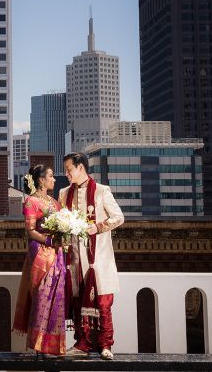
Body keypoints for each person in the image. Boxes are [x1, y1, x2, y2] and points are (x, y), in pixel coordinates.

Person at [58, 152, 124, 360]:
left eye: (69, 169)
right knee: (78, 302)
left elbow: (119, 217)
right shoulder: (63, 193)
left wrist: (97, 227)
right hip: (75, 259)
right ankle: (82, 344)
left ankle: (105, 345)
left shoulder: (102, 191)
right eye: (65, 170)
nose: (66, 173)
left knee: (103, 303)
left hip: (99, 259)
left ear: (81, 167)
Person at [13, 164, 68, 356]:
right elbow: (30, 230)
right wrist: (49, 240)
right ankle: (39, 347)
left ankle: (53, 346)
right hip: (41, 255)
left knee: (57, 298)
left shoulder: (55, 202)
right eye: (51, 176)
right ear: (41, 180)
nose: (54, 179)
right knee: (41, 296)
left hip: (57, 254)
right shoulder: (31, 202)